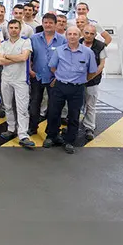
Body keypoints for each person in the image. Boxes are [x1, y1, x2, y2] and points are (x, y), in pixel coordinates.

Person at [45, 26, 98, 154]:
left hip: (77, 88)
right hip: (60, 86)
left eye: (75, 34)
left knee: (74, 116)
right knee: (53, 112)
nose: (72, 36)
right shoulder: (59, 50)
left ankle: (70, 140)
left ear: (79, 36)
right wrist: (61, 76)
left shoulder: (88, 52)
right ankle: (51, 136)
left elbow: (92, 71)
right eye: (70, 34)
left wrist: (82, 80)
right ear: (66, 36)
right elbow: (52, 67)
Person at [0, 20, 35, 148]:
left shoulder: (26, 41)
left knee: (22, 108)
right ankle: (11, 128)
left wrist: (7, 57)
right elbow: (0, 61)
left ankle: (23, 134)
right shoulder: (3, 43)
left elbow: (23, 58)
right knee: (7, 106)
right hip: (6, 79)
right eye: (11, 27)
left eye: (16, 28)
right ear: (8, 29)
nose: (13, 30)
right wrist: (15, 57)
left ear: (20, 29)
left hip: (21, 80)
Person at [28, 13, 66, 136]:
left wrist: (58, 76)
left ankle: (51, 131)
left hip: (54, 79)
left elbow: (65, 61)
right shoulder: (34, 38)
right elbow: (29, 57)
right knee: (34, 104)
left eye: (51, 23)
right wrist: (30, 70)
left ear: (55, 25)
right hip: (36, 76)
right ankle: (32, 127)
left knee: (54, 106)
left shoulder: (62, 40)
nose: (48, 25)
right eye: (45, 22)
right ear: (42, 23)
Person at [81, 24, 106, 142]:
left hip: (93, 81)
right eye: (87, 33)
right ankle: (72, 126)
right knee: (75, 106)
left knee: (90, 105)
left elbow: (101, 65)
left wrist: (90, 77)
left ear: (95, 35)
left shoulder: (100, 46)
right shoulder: (77, 42)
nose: (89, 36)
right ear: (83, 33)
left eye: (92, 34)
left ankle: (89, 127)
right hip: (77, 81)